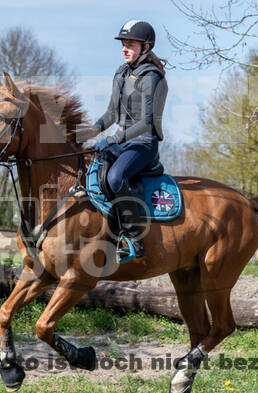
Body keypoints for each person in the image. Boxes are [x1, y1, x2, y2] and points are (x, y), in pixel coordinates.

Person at [80, 20, 168, 262]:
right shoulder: (121, 72)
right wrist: (86, 133)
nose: (124, 48)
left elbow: (147, 121)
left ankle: (134, 239)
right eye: (123, 44)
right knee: (89, 169)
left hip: (144, 144)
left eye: (130, 44)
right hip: (122, 142)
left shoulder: (152, 77)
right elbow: (110, 114)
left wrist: (113, 138)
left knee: (115, 177)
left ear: (146, 47)